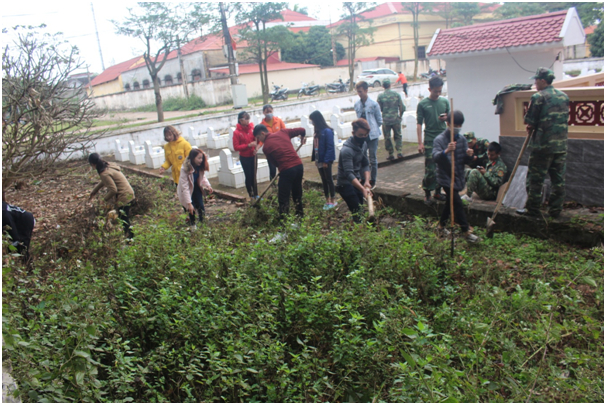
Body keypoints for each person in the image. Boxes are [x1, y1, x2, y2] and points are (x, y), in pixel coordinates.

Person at [517, 67, 569, 219]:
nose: (535, 83)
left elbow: (530, 120)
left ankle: (533, 210)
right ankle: (555, 210)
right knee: (558, 179)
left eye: (536, 80)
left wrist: (531, 126)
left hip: (543, 146)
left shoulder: (538, 97)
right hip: (560, 145)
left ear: (543, 81)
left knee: (535, 179)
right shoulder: (564, 97)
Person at [432, 110, 479, 243]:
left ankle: (441, 226)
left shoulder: (462, 139)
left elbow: (464, 160)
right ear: (448, 123)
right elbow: (435, 157)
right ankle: (466, 231)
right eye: (455, 125)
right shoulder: (440, 139)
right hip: (446, 176)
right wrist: (446, 151)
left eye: (459, 125)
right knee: (457, 202)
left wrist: (469, 156)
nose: (457, 128)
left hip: (457, 175)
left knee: (450, 202)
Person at [253, 124, 306, 219]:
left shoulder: (266, 147)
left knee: (283, 198)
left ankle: (284, 226)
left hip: (287, 170)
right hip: (299, 166)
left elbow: (275, 163)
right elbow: (302, 129)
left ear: (262, 133)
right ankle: (300, 217)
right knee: (297, 193)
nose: (259, 140)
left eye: (258, 137)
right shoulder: (283, 132)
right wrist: (302, 139)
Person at [417, 76, 450, 205]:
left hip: (443, 140)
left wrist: (446, 118)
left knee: (441, 167)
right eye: (435, 91)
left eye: (440, 91)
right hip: (430, 140)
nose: (437, 94)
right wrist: (420, 143)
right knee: (430, 168)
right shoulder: (423, 104)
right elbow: (419, 124)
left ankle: (437, 191)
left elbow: (449, 120)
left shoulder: (444, 102)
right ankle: (427, 193)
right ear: (429, 89)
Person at [88, 153, 135, 239]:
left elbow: (113, 190)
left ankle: (130, 240)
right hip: (129, 192)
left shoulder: (104, 173)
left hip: (123, 196)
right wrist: (94, 191)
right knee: (125, 218)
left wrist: (103, 200)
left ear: (93, 164)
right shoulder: (108, 165)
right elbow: (105, 181)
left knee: (124, 220)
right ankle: (130, 237)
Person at [336, 118, 373, 223]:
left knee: (360, 208)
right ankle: (359, 234)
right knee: (357, 210)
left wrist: (366, 181)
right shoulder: (347, 150)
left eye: (365, 135)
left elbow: (365, 164)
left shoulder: (363, 144)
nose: (363, 137)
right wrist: (362, 189)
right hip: (345, 184)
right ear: (353, 133)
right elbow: (349, 174)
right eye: (361, 135)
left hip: (356, 181)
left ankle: (360, 229)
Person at [354, 81, 383, 189]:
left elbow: (379, 120)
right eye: (358, 92)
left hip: (372, 135)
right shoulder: (357, 104)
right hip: (361, 136)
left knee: (372, 158)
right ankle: (363, 178)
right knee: (362, 157)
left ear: (366, 90)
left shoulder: (374, 104)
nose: (359, 94)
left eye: (361, 91)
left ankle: (373, 179)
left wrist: (372, 128)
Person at [177, 148, 213, 230]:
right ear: (193, 158)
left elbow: (202, 176)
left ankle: (202, 223)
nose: (201, 160)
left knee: (200, 205)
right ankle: (193, 225)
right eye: (199, 158)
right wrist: (189, 203)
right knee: (191, 208)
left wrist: (208, 185)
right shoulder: (184, 169)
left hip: (196, 187)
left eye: (202, 158)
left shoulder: (199, 166)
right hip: (188, 190)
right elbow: (185, 187)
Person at [309, 110, 337, 210]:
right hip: (319, 160)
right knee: (323, 180)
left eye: (312, 120)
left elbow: (329, 147)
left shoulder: (327, 131)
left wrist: (326, 161)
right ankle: (327, 200)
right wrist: (316, 160)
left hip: (325, 160)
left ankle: (333, 200)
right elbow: (315, 147)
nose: (312, 123)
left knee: (329, 179)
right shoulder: (317, 132)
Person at [377, 78, 406, 160]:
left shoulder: (380, 96)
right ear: (390, 85)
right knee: (398, 135)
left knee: (387, 137)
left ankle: (391, 153)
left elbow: (379, 109)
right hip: (395, 119)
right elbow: (402, 107)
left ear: (383, 86)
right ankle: (399, 152)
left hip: (386, 120)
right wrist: (400, 116)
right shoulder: (396, 95)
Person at [232, 111, 258, 200]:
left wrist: (256, 147)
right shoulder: (237, 132)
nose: (247, 121)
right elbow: (236, 147)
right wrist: (248, 145)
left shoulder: (252, 129)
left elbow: (257, 140)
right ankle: (251, 195)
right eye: (245, 119)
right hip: (245, 157)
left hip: (253, 155)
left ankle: (256, 194)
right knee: (249, 176)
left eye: (248, 119)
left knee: (254, 175)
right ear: (240, 120)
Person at [260, 104, 286, 181]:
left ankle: (283, 182)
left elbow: (285, 132)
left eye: (270, 111)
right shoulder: (262, 125)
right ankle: (273, 185)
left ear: (273, 111)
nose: (269, 113)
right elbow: (261, 139)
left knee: (283, 167)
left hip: (280, 148)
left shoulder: (279, 121)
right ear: (263, 113)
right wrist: (258, 146)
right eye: (267, 112)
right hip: (270, 150)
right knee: (272, 168)